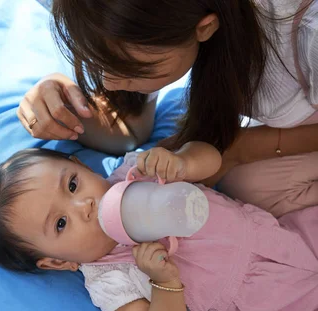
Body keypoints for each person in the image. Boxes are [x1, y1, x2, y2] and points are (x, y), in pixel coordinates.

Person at [0, 143, 318, 311]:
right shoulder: (111, 277)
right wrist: (165, 284)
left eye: (73, 185)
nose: (85, 207)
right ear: (56, 263)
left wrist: (183, 161)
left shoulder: (136, 171)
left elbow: (212, 160)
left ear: (82, 166)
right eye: (61, 224)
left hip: (289, 238)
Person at [20, 0, 318, 217]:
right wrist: (62, 96)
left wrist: (238, 148)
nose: (108, 84)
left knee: (250, 185)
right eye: (98, 63)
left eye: (133, 70)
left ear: (206, 27)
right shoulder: (94, 10)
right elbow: (128, 132)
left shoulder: (306, 32)